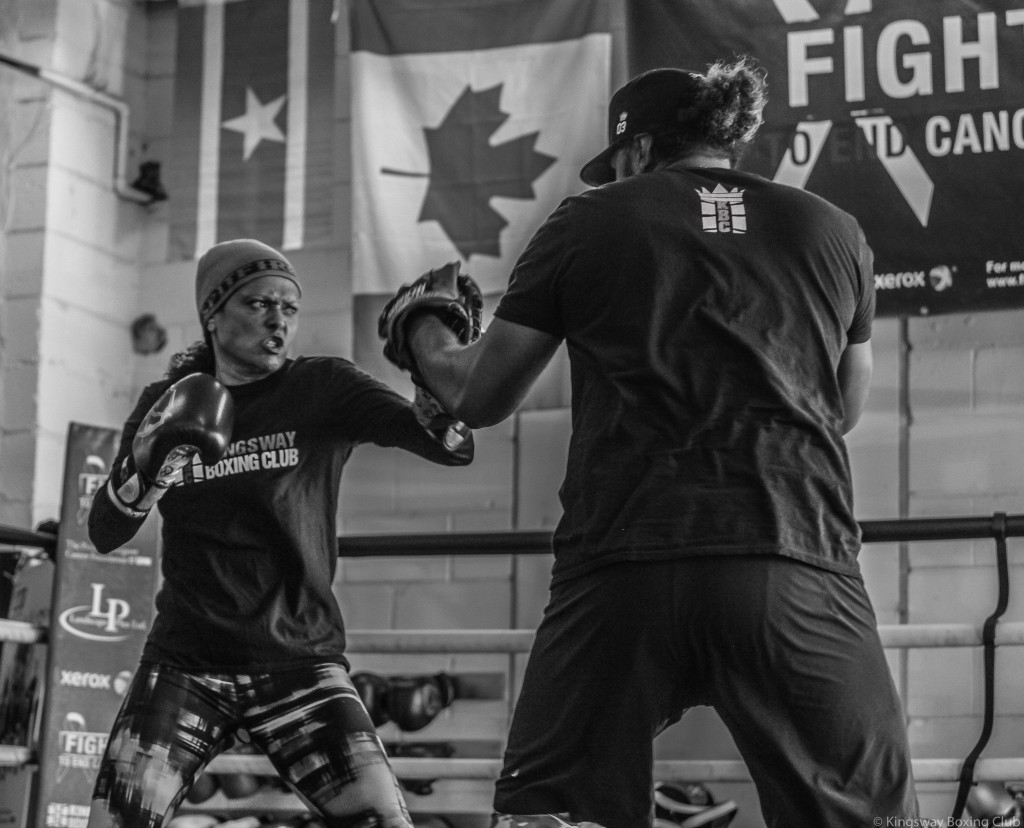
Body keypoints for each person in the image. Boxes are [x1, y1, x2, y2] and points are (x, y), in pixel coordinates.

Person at [381, 59, 919, 828]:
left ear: (638, 151)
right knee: (861, 814)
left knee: (556, 814)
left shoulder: (590, 220)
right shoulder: (834, 231)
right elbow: (842, 407)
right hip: (792, 551)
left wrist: (422, 329)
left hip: (627, 560)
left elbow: (478, 395)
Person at [86, 238, 474, 828]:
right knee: (114, 823)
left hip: (300, 660)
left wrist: (432, 367)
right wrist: (148, 471)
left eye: (289, 309)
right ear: (213, 315)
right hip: (187, 660)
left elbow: (449, 447)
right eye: (259, 304)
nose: (278, 321)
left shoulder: (323, 388)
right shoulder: (166, 403)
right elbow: (105, 531)